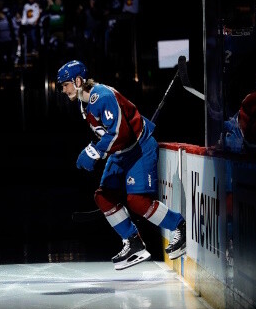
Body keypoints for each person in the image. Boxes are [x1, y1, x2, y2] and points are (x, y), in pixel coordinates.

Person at [57, 60, 187, 270]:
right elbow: (110, 134)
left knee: (136, 201)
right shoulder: (85, 102)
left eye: (65, 84)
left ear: (78, 81)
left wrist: (95, 151)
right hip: (121, 151)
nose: (64, 90)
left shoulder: (102, 96)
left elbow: (121, 132)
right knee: (103, 197)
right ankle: (134, 243)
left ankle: (179, 225)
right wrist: (95, 149)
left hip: (139, 148)